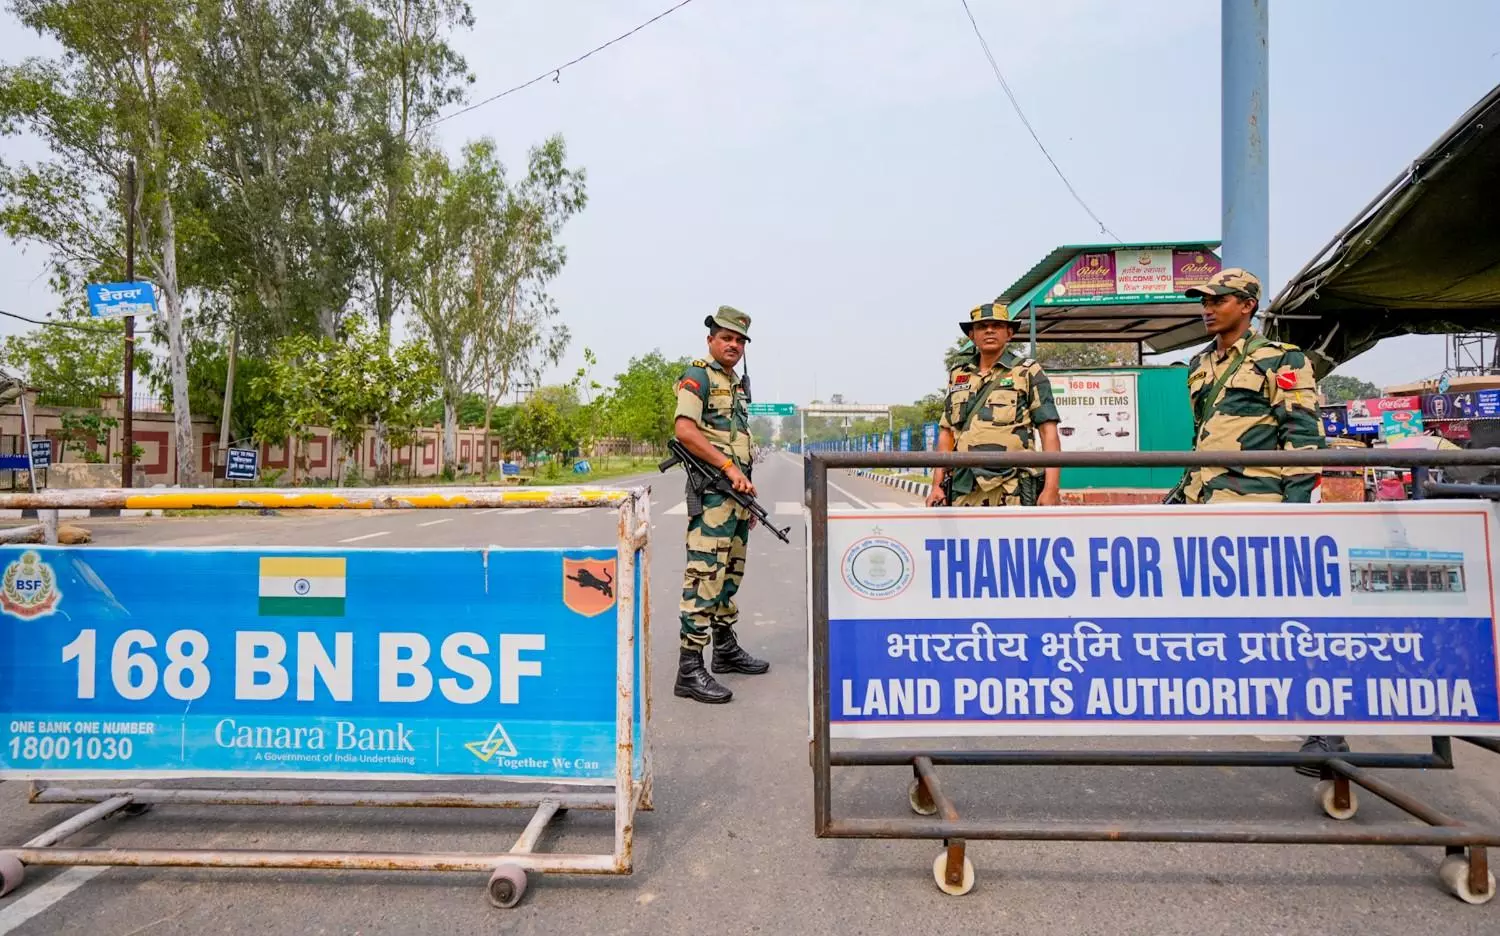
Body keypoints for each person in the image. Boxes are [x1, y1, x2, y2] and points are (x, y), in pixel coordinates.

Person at [1178, 268, 1336, 775]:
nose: (1207, 308)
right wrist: (1182, 494)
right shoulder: (1200, 365)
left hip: (1261, 501)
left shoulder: (1283, 360)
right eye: (1203, 300)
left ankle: (1327, 730)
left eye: (1216, 300)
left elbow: (1304, 437)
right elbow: (1205, 436)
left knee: (1287, 614)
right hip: (1209, 501)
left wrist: (1295, 512)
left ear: (1245, 305)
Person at [671, 305, 770, 704]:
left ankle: (725, 649)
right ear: (711, 339)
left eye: (739, 340)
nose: (733, 344)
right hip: (713, 494)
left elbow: (737, 440)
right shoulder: (699, 376)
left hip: (734, 496)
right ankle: (689, 668)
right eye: (726, 337)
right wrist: (729, 468)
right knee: (704, 576)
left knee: (729, 575)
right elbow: (684, 431)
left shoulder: (735, 383)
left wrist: (745, 490)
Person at [927, 301, 1062, 507]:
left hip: (1012, 486)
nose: (989, 331)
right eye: (982, 327)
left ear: (1009, 333)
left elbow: (1048, 432)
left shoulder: (1027, 371)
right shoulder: (959, 374)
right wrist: (937, 485)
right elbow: (947, 433)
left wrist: (1051, 489)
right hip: (964, 487)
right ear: (972, 335)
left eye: (997, 326)